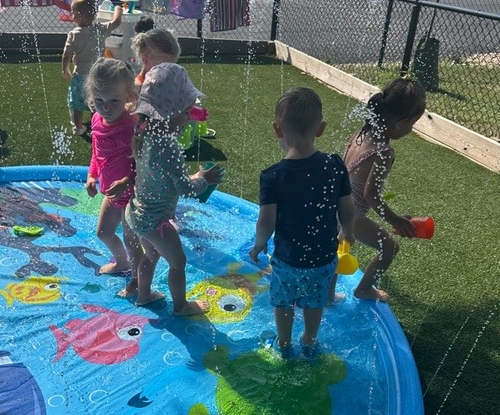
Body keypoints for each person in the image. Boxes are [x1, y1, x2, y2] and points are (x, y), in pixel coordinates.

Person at [249, 88, 355, 360]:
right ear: (320, 128)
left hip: (288, 260)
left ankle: (284, 343)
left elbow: (266, 222)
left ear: (277, 129)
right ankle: (309, 339)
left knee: (283, 302)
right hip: (323, 257)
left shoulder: (273, 176)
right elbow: (347, 207)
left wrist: (259, 245)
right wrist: (347, 231)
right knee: (315, 300)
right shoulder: (335, 165)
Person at [125, 62, 223, 315]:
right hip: (155, 220)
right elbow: (186, 189)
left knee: (150, 256)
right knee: (179, 262)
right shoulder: (169, 148)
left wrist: (193, 176)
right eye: (187, 111)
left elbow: (163, 178)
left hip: (136, 213)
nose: (189, 117)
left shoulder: (144, 132)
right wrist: (204, 179)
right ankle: (181, 306)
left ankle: (144, 296)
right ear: (171, 112)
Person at [339, 77, 426, 302]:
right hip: (352, 214)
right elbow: (370, 195)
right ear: (401, 123)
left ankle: (327, 295)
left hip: (335, 203)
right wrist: (396, 220)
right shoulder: (384, 152)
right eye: (412, 124)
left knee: (337, 250)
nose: (410, 129)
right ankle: (364, 289)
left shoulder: (360, 134)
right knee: (389, 248)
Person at [85, 58, 143, 297]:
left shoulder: (131, 126)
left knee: (132, 242)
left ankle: (138, 281)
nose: (105, 108)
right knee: (103, 233)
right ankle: (122, 262)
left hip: (132, 196)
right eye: (99, 100)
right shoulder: (96, 120)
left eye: (114, 101)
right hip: (112, 192)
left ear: (129, 96)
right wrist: (91, 175)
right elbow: (96, 152)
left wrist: (127, 181)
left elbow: (144, 164)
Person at [62, 0, 122, 136]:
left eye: (73, 13)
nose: (72, 16)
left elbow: (66, 54)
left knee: (77, 103)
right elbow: (116, 22)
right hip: (97, 76)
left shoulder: (73, 34)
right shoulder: (100, 29)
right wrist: (118, 9)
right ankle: (96, 125)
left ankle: (78, 128)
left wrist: (65, 69)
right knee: (96, 102)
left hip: (79, 76)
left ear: (79, 15)